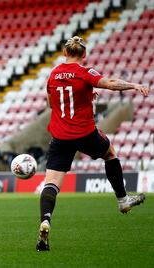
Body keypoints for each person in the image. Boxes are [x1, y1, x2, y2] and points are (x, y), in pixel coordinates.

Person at [36, 36, 149, 251]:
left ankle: (45, 221)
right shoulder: (85, 72)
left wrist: (86, 95)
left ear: (64, 52)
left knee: (51, 183)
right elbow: (112, 84)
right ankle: (122, 200)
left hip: (60, 136)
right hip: (84, 132)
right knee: (110, 154)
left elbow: (51, 103)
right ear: (84, 55)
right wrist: (134, 85)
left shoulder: (53, 74)